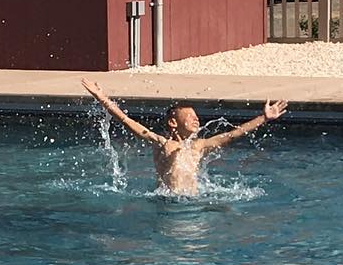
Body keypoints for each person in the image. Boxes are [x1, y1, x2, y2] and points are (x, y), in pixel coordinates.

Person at [83, 79, 287, 195]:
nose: (196, 120)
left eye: (196, 117)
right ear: (173, 122)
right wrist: (103, 99)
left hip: (194, 201)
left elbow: (231, 134)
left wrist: (264, 118)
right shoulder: (162, 143)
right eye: (189, 117)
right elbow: (129, 122)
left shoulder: (199, 146)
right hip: (168, 202)